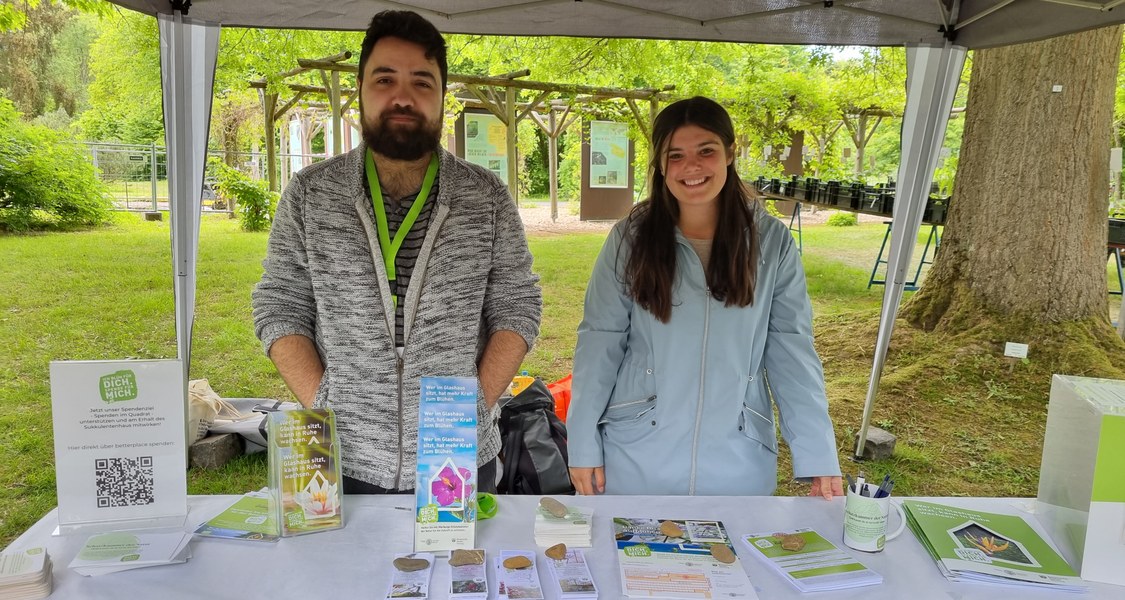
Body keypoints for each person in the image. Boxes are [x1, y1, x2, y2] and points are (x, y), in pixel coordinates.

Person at [252, 10, 541, 494]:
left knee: (458, 571)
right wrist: (323, 400)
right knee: (339, 572)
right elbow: (279, 305)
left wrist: (474, 406)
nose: (403, 97)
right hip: (340, 454)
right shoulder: (310, 194)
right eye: (384, 78)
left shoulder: (485, 197)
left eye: (422, 82)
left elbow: (518, 305)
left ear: (443, 97)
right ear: (359, 89)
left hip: (459, 454)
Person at [567, 96, 842, 498]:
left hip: (738, 461)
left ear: (730, 153)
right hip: (637, 456)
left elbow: (792, 351)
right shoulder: (631, 237)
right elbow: (599, 341)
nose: (691, 167)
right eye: (674, 155)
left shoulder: (771, 242)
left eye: (706, 151)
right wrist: (582, 443)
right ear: (660, 165)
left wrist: (817, 453)